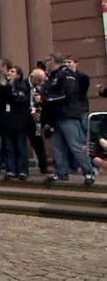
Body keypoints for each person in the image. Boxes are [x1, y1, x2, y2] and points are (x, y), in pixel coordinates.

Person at [41, 53, 95, 185]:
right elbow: (45, 94)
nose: (46, 63)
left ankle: (89, 172)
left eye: (48, 60)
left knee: (76, 145)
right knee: (58, 148)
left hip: (68, 115)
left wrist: (48, 98)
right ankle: (61, 173)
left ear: (54, 61)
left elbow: (67, 93)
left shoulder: (66, 74)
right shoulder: (50, 77)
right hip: (54, 117)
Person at [0, 66, 31, 180]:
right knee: (9, 147)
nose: (9, 73)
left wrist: (10, 88)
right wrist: (4, 87)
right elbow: (0, 102)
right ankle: (10, 169)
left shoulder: (22, 87)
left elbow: (18, 100)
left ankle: (22, 169)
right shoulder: (4, 87)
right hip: (7, 121)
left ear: (18, 75)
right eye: (9, 71)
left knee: (20, 146)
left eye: (12, 72)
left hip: (20, 121)